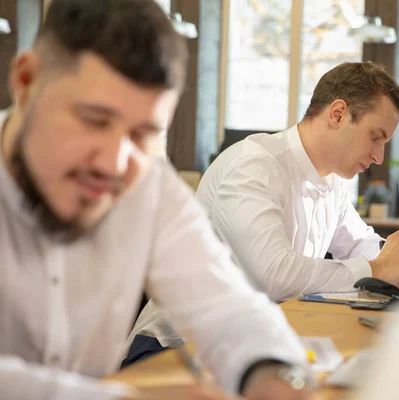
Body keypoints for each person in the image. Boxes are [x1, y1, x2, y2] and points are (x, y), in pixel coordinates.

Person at [0, 0, 315, 399]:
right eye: (93, 121)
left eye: (142, 134)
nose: (114, 163)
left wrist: (275, 376)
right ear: (26, 82)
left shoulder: (147, 185)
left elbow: (229, 308)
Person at [196, 62, 399, 302]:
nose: (379, 157)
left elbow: (357, 243)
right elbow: (274, 276)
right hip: (182, 340)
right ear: (338, 114)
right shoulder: (254, 166)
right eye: (375, 137)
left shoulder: (332, 182)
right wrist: (378, 270)